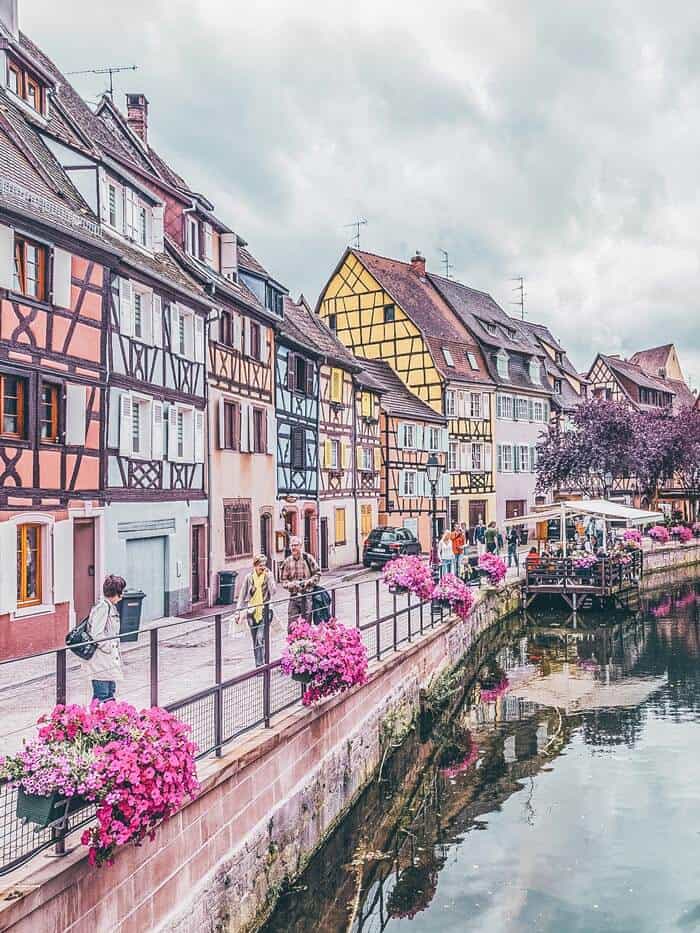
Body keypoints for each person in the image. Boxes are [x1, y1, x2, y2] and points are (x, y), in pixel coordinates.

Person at [84, 574, 126, 702]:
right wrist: (109, 647)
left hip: (107, 660)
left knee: (109, 693)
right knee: (102, 695)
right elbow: (96, 634)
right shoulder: (103, 607)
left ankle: (109, 721)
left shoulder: (109, 606)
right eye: (121, 591)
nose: (123, 595)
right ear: (116, 592)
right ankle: (95, 721)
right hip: (101, 659)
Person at [236, 555, 276, 667]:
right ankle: (259, 664)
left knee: (260, 637)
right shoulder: (249, 577)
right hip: (251, 612)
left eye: (264, 564)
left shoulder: (268, 576)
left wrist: (269, 578)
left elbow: (273, 592)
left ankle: (261, 664)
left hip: (266, 610)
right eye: (260, 565)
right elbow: (242, 596)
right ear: (255, 565)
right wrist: (238, 612)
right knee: (255, 639)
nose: (262, 567)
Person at [280, 535, 321, 626]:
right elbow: (283, 580)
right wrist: (290, 584)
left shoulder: (308, 558)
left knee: (306, 624)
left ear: (300, 546)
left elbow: (318, 574)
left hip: (307, 596)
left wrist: (309, 581)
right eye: (292, 545)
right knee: (292, 625)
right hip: (294, 596)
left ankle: (306, 640)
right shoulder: (287, 562)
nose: (293, 547)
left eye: (295, 545)